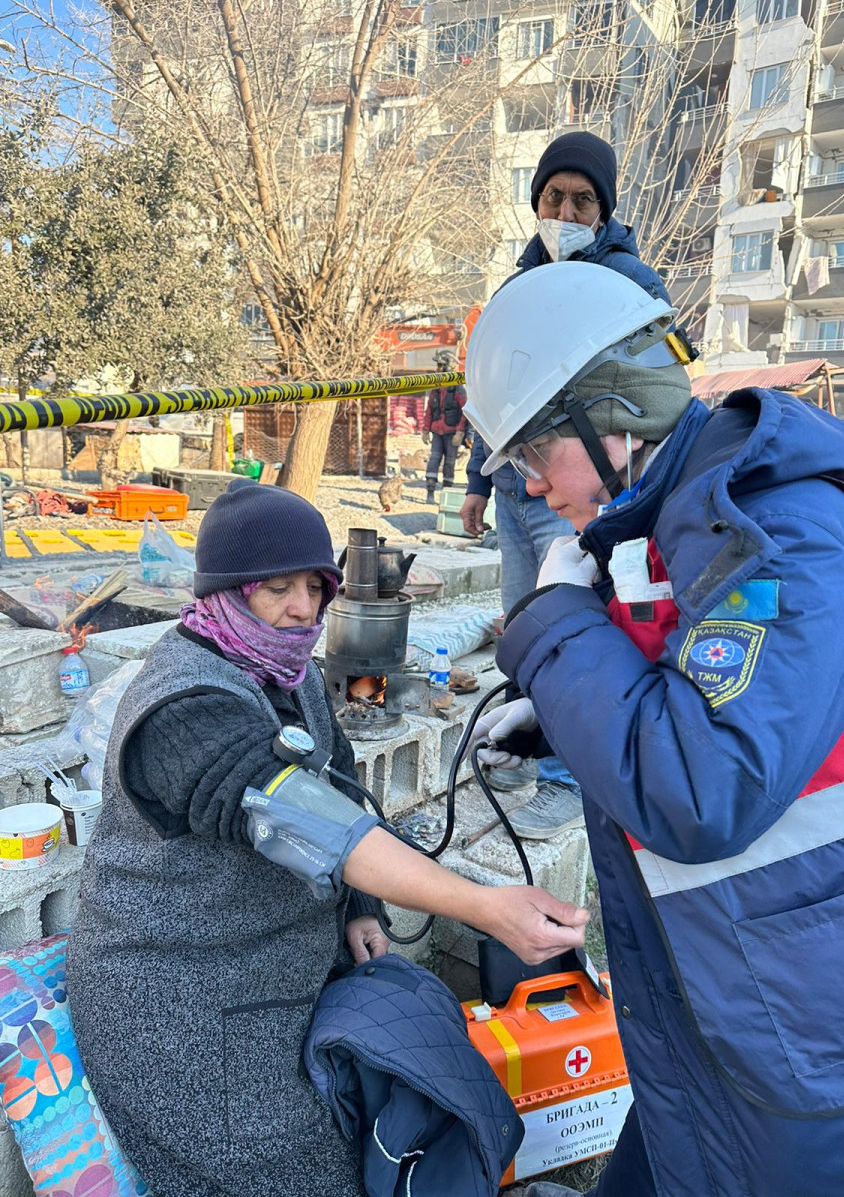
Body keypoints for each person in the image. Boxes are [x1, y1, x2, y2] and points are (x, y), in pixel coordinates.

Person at [463, 262, 844, 1197]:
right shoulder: (681, 521)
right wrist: (569, 718)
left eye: (538, 455)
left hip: (827, 1033)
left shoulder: (786, 535)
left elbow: (703, 789)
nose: (535, 489)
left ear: (611, 417)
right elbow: (692, 697)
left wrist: (556, 629)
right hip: (730, 1001)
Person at [67, 479, 587, 1197]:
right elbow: (317, 823)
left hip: (277, 966)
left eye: (315, 587)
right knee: (294, 1165)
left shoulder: (288, 671)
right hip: (180, 996)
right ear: (225, 589)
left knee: (406, 1081)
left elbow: (337, 776)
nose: (303, 609)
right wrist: (486, 906)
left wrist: (358, 911)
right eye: (276, 588)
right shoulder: (184, 706)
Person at [461, 131, 672, 840]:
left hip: (585, 490)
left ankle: (561, 777)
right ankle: (524, 742)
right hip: (521, 491)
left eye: (583, 199)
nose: (567, 211)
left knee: (573, 626)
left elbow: (656, 396)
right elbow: (492, 398)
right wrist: (475, 484)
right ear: (537, 203)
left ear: (604, 210)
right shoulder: (517, 286)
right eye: (554, 197)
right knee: (527, 622)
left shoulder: (632, 283)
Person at [422, 349, 467, 502]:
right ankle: (430, 492)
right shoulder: (436, 388)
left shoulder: (458, 388)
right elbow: (429, 410)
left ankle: (445, 494)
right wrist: (425, 430)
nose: (437, 369)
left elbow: (465, 412)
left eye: (440, 365)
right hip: (437, 432)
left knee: (449, 462)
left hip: (452, 433)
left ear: (449, 367)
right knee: (434, 459)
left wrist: (460, 432)